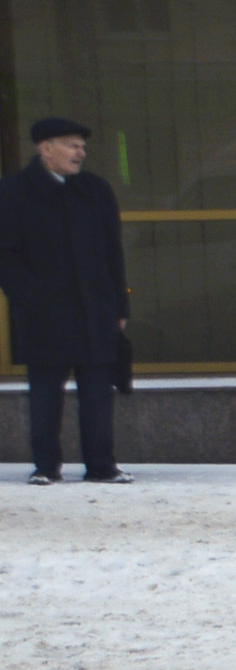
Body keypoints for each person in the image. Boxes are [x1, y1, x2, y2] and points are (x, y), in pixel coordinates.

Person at [0, 117, 132, 487]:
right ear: (45, 148)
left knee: (97, 392)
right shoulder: (12, 192)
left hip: (95, 309)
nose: (81, 153)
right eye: (72, 145)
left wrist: (120, 306)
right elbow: (4, 255)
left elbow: (113, 253)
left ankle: (102, 465)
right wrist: (28, 296)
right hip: (44, 312)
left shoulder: (95, 190)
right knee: (45, 392)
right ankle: (46, 466)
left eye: (82, 146)